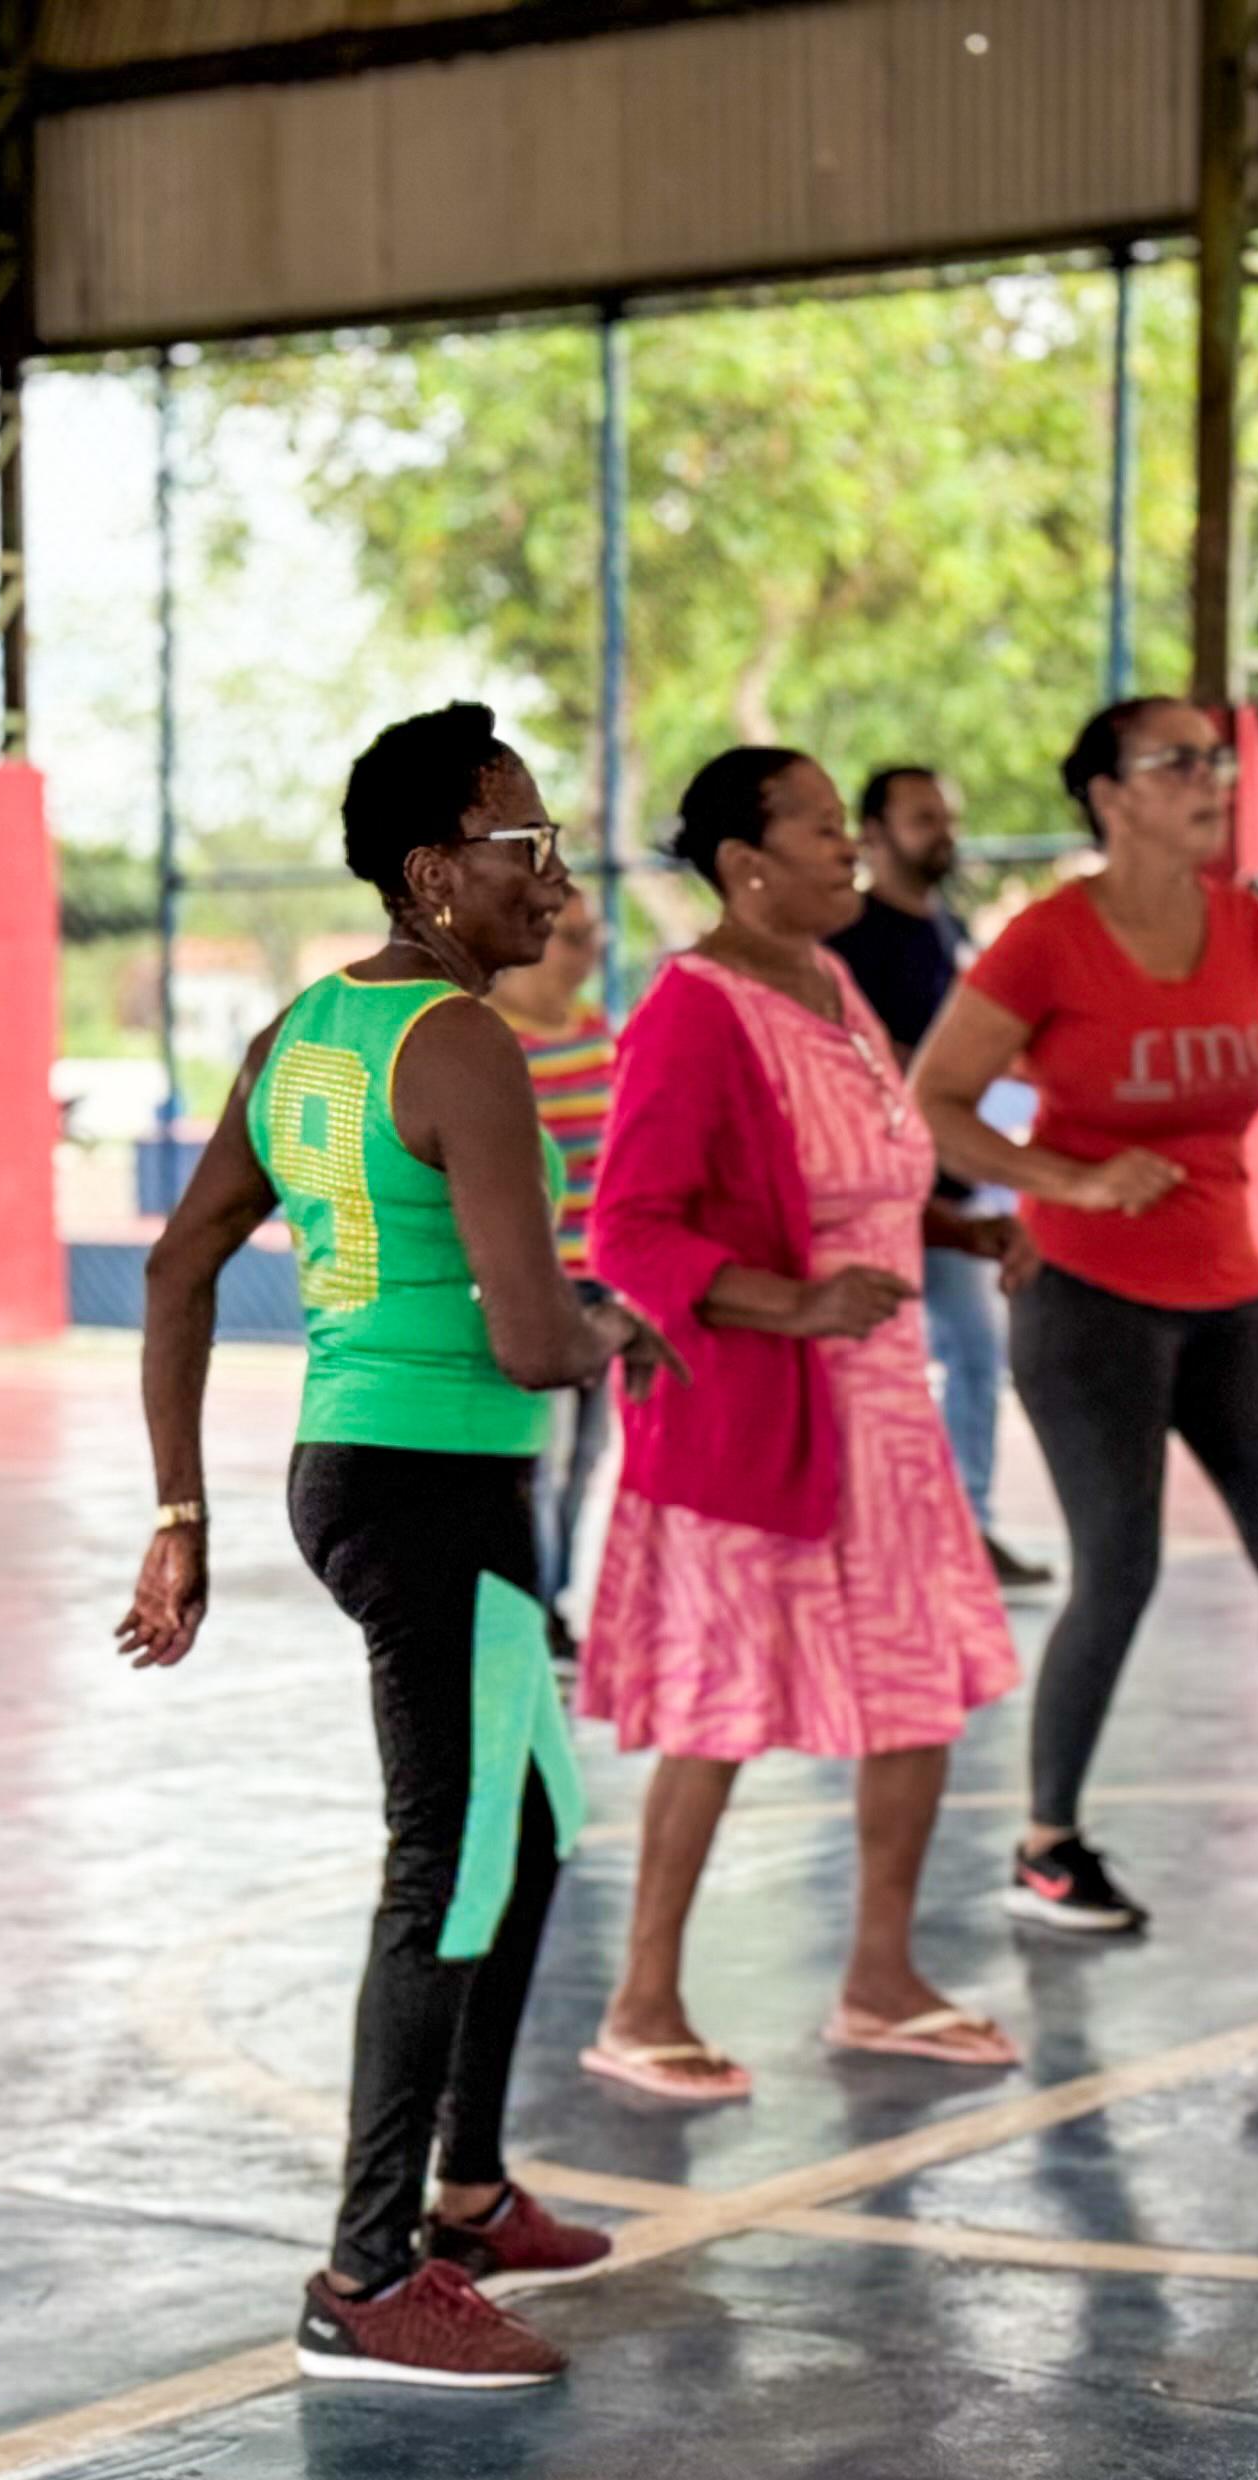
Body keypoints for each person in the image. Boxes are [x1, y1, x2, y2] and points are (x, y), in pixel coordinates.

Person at [120, 702, 663, 2392]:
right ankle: (366, 2271)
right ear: (433, 872)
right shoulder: (462, 1045)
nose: (555, 880)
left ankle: (472, 2184)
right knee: (451, 1860)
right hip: (435, 1486)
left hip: (359, 1470)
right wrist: (628, 1326)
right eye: (524, 845)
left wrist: (181, 1509)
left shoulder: (304, 1029)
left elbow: (176, 1265)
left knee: (538, 1828)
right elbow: (523, 1333)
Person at [909, 698, 1258, 1940]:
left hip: (1226, 1289)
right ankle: (1047, 1847)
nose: (1210, 780)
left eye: (1216, 761)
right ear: (1107, 794)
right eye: (1178, 763)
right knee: (1121, 1567)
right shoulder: (1046, 943)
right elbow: (933, 1099)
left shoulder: (1245, 927)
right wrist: (1066, 1182)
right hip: (1088, 1297)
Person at [577, 750, 1025, 2101]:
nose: (850, 853)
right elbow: (629, 1228)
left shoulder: (830, 987)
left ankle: (879, 1979)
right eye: (823, 832)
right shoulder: (692, 1010)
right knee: (718, 1706)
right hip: (759, 1410)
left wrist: (961, 1228)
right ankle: (642, 2000)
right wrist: (794, 1303)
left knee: (920, 1687)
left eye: (847, 831)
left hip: (884, 1413)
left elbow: (864, 1181)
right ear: (744, 866)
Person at [827, 763, 1049, 1585]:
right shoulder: (844, 940)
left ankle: (965, 1530)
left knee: (977, 1357)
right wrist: (941, 1083)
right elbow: (870, 1061)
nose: (944, 833)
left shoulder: (944, 932)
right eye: (924, 819)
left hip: (947, 1189)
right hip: (873, 1198)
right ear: (874, 835)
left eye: (947, 816)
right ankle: (872, 1535)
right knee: (871, 1367)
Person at [486, 883, 613, 1652]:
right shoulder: (493, 1042)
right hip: (541, 1281)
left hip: (604, 1280)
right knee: (542, 1453)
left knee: (587, 1455)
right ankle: (528, 1605)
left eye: (593, 935)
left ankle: (554, 1599)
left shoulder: (598, 1033)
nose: (587, 951)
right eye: (571, 936)